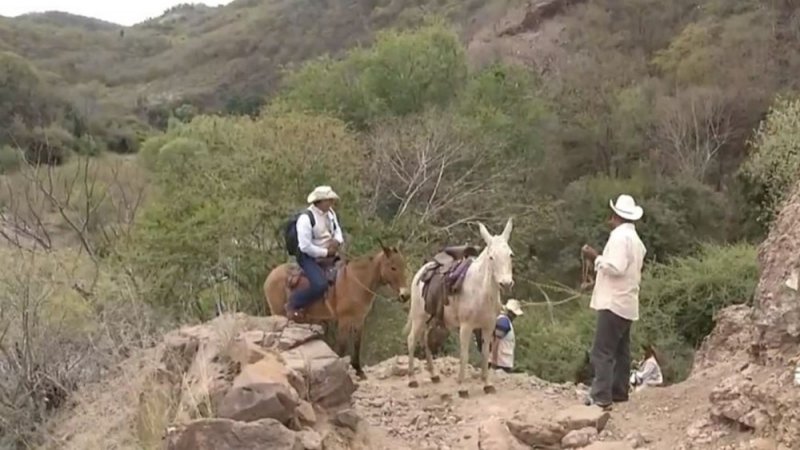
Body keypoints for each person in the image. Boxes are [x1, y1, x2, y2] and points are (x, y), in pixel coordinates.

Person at [581, 194, 647, 409]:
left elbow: (616, 267)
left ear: (616, 216)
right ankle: (619, 391)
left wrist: (595, 257)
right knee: (621, 351)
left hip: (613, 303)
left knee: (602, 351)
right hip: (627, 302)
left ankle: (601, 396)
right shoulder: (637, 242)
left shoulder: (619, 238)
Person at [286, 186, 344, 319]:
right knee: (320, 284)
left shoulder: (330, 213)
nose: (331, 203)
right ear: (320, 201)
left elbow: (337, 230)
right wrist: (325, 252)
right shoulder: (306, 219)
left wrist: (336, 241)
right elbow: (305, 246)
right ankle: (294, 303)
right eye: (328, 200)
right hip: (308, 256)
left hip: (329, 252)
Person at [490, 299, 524, 373]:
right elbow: (496, 342)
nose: (515, 317)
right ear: (509, 312)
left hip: (504, 361)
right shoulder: (503, 322)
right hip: (501, 363)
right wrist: (494, 361)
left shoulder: (505, 321)